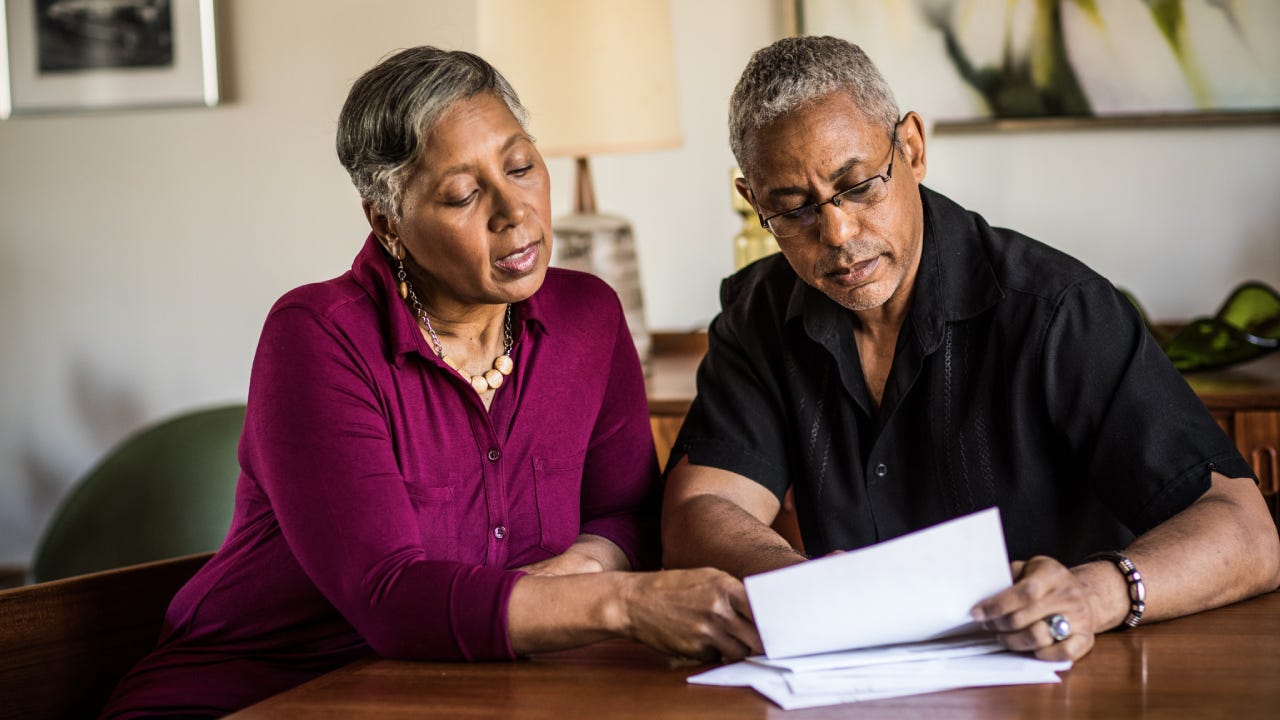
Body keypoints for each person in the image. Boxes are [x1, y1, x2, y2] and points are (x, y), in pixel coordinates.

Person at [103, 47, 759, 718]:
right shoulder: (316, 336)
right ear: (388, 223)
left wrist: (566, 580)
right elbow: (389, 595)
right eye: (462, 193)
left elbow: (626, 516)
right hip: (264, 690)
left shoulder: (589, 316)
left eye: (521, 166)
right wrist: (620, 602)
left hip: (465, 689)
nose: (514, 211)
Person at [662, 36, 1280, 663]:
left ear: (912, 147)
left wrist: (1091, 595)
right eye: (793, 211)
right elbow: (701, 506)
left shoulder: (1056, 309)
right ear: (753, 201)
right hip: (855, 686)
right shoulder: (758, 313)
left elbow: (1246, 531)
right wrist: (796, 579)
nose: (838, 234)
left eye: (858, 187)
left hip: (1066, 675)